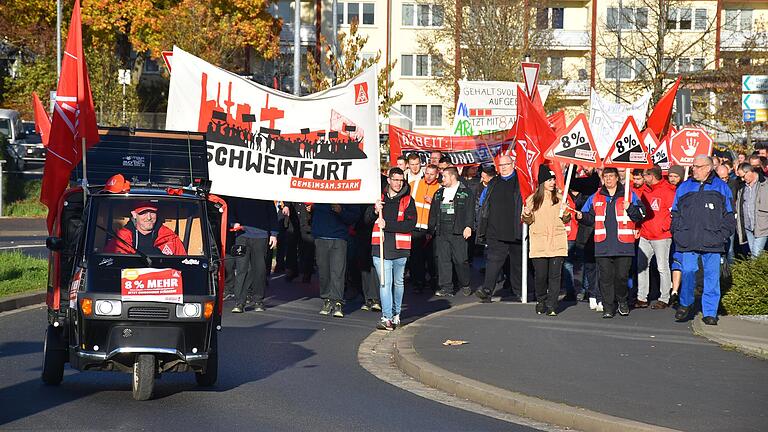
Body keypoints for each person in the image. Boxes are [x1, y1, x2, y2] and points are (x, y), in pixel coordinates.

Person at [672, 155, 736, 326]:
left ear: (708, 168)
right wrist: (677, 232)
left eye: (698, 166)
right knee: (688, 271)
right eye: (693, 166)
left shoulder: (721, 187)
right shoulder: (684, 187)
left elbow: (730, 215)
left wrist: (723, 235)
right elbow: (675, 212)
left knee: (711, 278)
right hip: (688, 239)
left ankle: (710, 312)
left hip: (713, 241)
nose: (694, 169)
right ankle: (685, 303)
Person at [576, 167, 646, 318]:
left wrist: (631, 208)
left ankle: (622, 301)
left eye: (611, 176)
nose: (608, 179)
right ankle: (608, 307)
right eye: (605, 176)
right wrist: (580, 216)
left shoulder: (628, 194)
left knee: (621, 277)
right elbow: (589, 217)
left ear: (617, 178)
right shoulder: (596, 196)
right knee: (605, 278)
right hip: (603, 244)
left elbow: (641, 214)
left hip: (624, 245)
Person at [367, 167, 417, 330]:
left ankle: (396, 315)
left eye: (400, 180)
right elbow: (366, 219)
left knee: (398, 283)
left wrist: (387, 225)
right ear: (388, 180)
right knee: (385, 283)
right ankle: (387, 317)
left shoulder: (408, 200)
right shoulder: (379, 198)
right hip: (380, 247)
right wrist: (375, 211)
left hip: (400, 248)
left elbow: (410, 224)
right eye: (395, 179)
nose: (398, 183)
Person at [476, 155, 529, 302]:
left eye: (507, 164)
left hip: (515, 229)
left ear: (513, 164)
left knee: (517, 263)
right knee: (493, 261)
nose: (504, 167)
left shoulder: (521, 181)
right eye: (501, 165)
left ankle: (519, 291)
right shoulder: (493, 182)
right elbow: (483, 203)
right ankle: (487, 290)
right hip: (495, 230)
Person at [521, 165, 569, 316]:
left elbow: (566, 219)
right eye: (549, 179)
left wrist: (566, 212)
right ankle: (541, 300)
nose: (552, 182)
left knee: (555, 276)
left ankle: (552, 305)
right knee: (541, 276)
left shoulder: (561, 198)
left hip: (557, 242)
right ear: (542, 182)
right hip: (539, 243)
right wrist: (527, 213)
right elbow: (526, 220)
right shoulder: (532, 199)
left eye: (553, 179)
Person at [428, 167, 475, 297]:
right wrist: (430, 229)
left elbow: (470, 211)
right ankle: (446, 287)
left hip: (458, 230)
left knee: (461, 260)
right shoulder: (438, 193)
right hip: (442, 230)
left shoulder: (466, 192)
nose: (442, 179)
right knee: (443, 260)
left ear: (453, 177)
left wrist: (468, 226)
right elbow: (433, 213)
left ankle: (465, 283)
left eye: (444, 176)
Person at [228, 198, 279, 313]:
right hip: (242, 235)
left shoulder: (265, 194)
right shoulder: (239, 192)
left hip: (261, 235)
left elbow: (272, 213)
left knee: (259, 269)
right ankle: (239, 302)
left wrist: (274, 234)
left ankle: (258, 300)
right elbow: (231, 209)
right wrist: (234, 222)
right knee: (242, 269)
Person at [635, 165, 676, 309]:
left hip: (661, 236)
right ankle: (642, 297)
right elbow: (641, 211)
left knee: (662, 267)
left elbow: (673, 213)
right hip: (646, 234)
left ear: (651, 176)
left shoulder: (667, 191)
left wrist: (664, 227)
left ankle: (664, 298)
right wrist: (638, 227)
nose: (643, 178)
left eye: (645, 175)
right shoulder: (644, 191)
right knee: (641, 266)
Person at [312, 203, 360, 318]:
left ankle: (337, 301)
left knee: (338, 271)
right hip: (321, 236)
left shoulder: (346, 193)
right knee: (324, 271)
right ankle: (327, 299)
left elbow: (354, 216)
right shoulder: (319, 192)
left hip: (339, 237)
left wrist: (341, 211)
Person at [105, 201, 186, 256]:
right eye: (143, 213)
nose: (149, 218)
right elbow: (109, 264)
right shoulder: (121, 239)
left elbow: (183, 263)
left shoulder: (170, 237)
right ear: (134, 214)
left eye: (152, 213)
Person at [409, 164, 441, 292]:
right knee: (416, 258)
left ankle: (434, 282)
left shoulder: (440, 188)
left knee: (432, 258)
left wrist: (433, 201)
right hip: (415, 228)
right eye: (427, 173)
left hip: (431, 228)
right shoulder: (414, 184)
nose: (428, 176)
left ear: (437, 175)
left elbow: (443, 208)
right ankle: (418, 283)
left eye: (432, 174)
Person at [736, 163, 768, 258]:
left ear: (750, 171)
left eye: (743, 176)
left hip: (762, 226)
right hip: (748, 226)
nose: (742, 179)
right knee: (754, 255)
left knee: (755, 255)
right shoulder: (742, 187)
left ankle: (752, 272)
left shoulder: (765, 184)